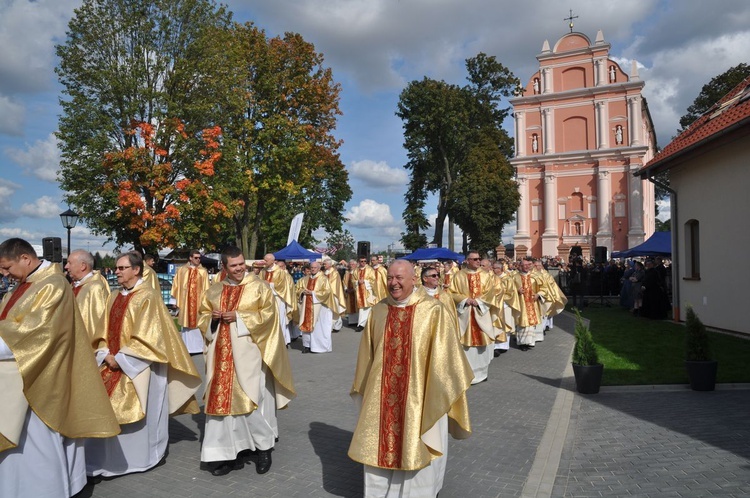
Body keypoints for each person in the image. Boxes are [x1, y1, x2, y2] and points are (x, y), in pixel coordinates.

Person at [0, 238, 120, 497]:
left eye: (7, 267)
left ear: (25, 259)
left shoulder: (52, 285)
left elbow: (35, 332)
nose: (3, 273)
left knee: (37, 443)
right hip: (18, 374)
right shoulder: (21, 286)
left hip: (44, 375)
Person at [349, 260, 472, 497]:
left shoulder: (433, 311)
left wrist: (436, 392)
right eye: (390, 278)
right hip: (382, 397)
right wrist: (364, 390)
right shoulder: (378, 310)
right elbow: (368, 355)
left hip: (422, 398)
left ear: (413, 279)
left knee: (418, 444)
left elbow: (448, 360)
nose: (393, 283)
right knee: (380, 444)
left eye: (399, 278)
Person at [85, 251, 201, 477]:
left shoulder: (149, 296)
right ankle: (107, 460)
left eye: (121, 268)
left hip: (143, 365)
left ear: (136, 270)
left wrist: (122, 358)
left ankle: (143, 458)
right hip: (112, 362)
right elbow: (102, 328)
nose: (116, 272)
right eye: (117, 269)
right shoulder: (114, 296)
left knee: (143, 412)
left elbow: (151, 336)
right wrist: (105, 353)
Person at [197, 247, 296, 476]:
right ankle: (229, 454)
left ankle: (264, 448)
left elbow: (269, 318)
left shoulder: (259, 287)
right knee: (221, 406)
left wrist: (239, 318)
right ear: (224, 267)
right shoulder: (214, 291)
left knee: (250, 402)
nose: (240, 268)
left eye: (241, 263)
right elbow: (202, 316)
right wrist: (211, 320)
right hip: (220, 356)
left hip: (249, 356)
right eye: (234, 265)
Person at [448, 251, 500, 384]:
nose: (478, 261)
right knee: (466, 345)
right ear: (468, 261)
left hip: (481, 313)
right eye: (475, 259)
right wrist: (465, 300)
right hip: (465, 314)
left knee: (482, 343)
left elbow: (491, 292)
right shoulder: (459, 276)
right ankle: (467, 373)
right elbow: (452, 293)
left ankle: (482, 373)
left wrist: (479, 302)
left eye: (479, 259)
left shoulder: (486, 275)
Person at [65, 248, 110, 340]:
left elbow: (99, 321)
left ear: (83, 266)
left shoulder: (95, 288)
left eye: (70, 263)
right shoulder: (72, 286)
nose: (66, 266)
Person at [171, 249, 210, 354]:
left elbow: (207, 289)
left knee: (198, 323)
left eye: (199, 258)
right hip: (185, 302)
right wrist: (174, 300)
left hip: (198, 303)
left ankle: (199, 347)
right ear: (190, 258)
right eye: (196, 258)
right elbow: (176, 285)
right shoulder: (182, 270)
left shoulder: (203, 272)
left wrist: (207, 304)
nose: (198, 260)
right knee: (186, 322)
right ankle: (187, 347)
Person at [295, 260, 336, 353]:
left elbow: (327, 291)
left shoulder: (323, 279)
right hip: (306, 305)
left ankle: (317, 347)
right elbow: (297, 289)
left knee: (317, 327)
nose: (313, 269)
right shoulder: (304, 279)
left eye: (314, 268)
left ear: (318, 268)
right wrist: (302, 292)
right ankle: (306, 345)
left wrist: (313, 293)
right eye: (311, 268)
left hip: (319, 306)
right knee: (305, 323)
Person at [259, 253, 295, 346]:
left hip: (278, 298)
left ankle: (280, 343)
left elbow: (283, 286)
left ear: (272, 261)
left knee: (279, 320)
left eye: (266, 260)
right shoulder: (263, 271)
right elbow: (259, 282)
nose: (264, 262)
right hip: (266, 300)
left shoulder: (280, 272)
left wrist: (269, 284)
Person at [513, 258, 546, 351]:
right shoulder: (515, 277)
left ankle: (530, 342)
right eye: (524, 265)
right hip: (521, 304)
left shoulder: (535, 276)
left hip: (532, 303)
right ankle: (522, 343)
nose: (527, 267)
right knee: (523, 323)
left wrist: (538, 295)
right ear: (520, 266)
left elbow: (544, 288)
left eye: (528, 265)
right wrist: (517, 291)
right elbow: (509, 290)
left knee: (531, 324)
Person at [420, 265, 458, 332]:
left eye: (438, 275)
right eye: (434, 276)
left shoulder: (445, 296)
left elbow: (451, 318)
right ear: (425, 279)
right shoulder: (417, 296)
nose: (437, 277)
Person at [323, 257, 347, 332]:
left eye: (325, 264)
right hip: (325, 295)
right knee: (328, 311)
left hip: (334, 294)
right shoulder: (324, 273)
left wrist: (326, 289)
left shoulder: (335, 273)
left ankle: (337, 326)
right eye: (324, 264)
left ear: (330, 265)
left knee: (335, 310)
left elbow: (333, 284)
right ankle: (329, 326)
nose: (324, 265)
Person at [354, 256, 377, 331]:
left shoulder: (370, 270)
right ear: (359, 262)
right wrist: (357, 282)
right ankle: (361, 324)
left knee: (368, 308)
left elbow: (373, 280)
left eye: (364, 261)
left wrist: (365, 281)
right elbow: (352, 280)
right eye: (361, 261)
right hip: (359, 292)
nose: (363, 263)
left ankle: (363, 324)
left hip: (367, 291)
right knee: (361, 309)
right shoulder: (356, 270)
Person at [343, 259, 358, 326]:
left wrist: (354, 289)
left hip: (355, 293)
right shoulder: (347, 272)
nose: (351, 266)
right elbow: (344, 281)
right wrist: (346, 289)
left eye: (352, 264)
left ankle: (357, 321)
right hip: (348, 292)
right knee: (349, 306)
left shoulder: (357, 272)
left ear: (355, 265)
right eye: (350, 264)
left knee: (356, 306)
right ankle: (351, 321)